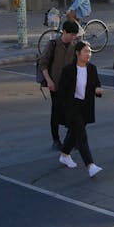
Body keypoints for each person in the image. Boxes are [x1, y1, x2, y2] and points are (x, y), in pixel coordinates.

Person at [58, 40, 103, 178]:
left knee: (74, 132)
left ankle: (64, 154)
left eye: (89, 51)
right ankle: (90, 165)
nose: (88, 54)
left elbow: (96, 83)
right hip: (72, 106)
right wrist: (65, 108)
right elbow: (62, 91)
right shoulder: (68, 70)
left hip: (86, 106)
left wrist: (97, 90)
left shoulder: (92, 68)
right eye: (85, 51)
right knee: (81, 136)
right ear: (77, 53)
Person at [38, 20, 81, 150]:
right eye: (72, 35)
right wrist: (49, 81)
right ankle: (56, 140)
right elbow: (43, 64)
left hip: (70, 85)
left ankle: (71, 140)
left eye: (75, 35)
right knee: (56, 111)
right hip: (55, 85)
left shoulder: (75, 46)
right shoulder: (53, 44)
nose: (73, 37)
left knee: (72, 112)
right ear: (65, 32)